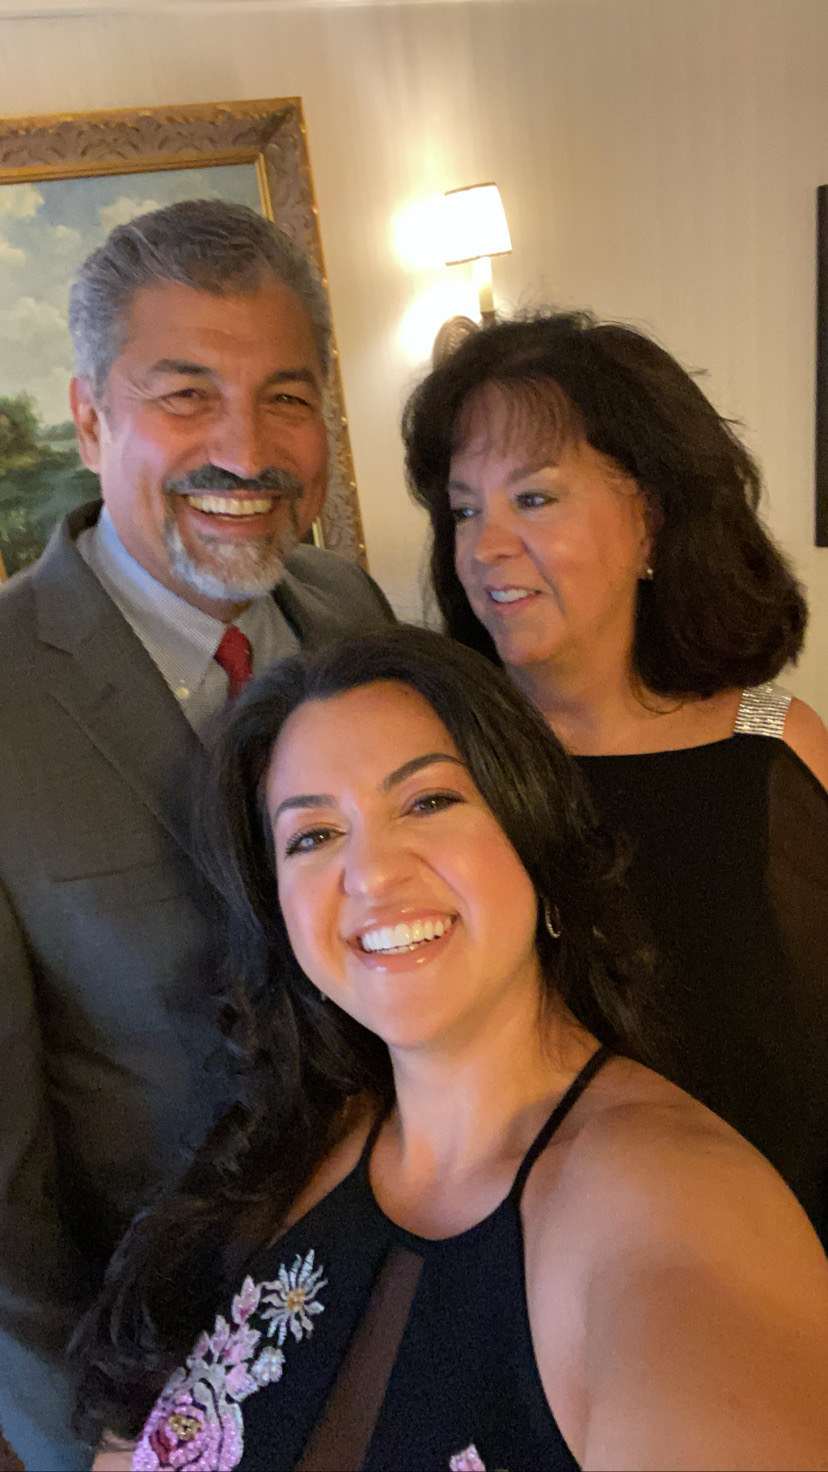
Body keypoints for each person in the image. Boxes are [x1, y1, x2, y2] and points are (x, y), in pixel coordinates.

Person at [72, 628, 828, 1472]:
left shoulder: (682, 1209)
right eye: (312, 836)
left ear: (531, 833)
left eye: (427, 802)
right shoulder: (272, 1153)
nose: (371, 873)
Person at [0, 199, 393, 1470]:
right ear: (91, 415)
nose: (248, 448)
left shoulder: (349, 605)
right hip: (155, 1382)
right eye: (186, 395)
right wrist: (89, 1439)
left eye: (286, 397)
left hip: (406, 1310)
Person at [401, 310, 828, 1240]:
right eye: (466, 509)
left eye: (535, 499)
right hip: (529, 1259)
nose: (485, 547)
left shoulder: (775, 747)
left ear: (650, 517)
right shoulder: (436, 767)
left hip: (772, 1245)